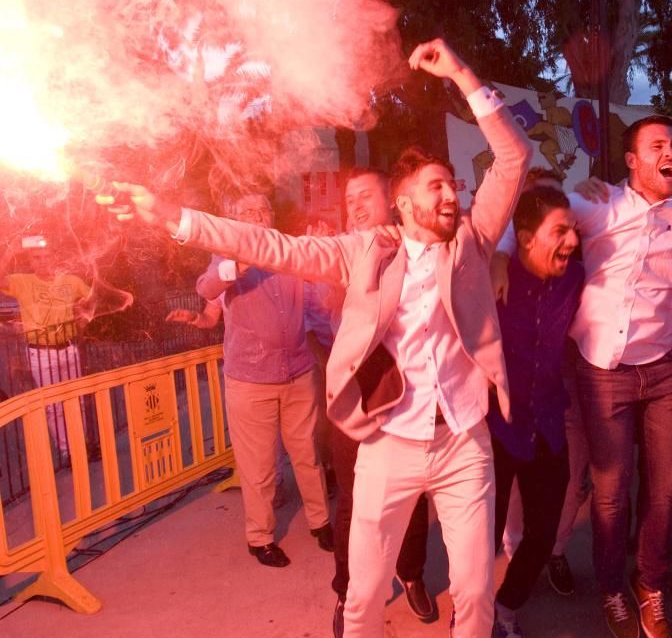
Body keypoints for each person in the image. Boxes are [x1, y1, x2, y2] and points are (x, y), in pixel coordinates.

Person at [108, 38, 531, 638]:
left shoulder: (470, 243)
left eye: (452, 188)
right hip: (389, 443)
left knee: (476, 594)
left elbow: (513, 159)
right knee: (360, 597)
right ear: (405, 203)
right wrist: (175, 217)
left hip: (465, 442)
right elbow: (271, 246)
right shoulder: (363, 252)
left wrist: (462, 74)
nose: (450, 196)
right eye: (436, 187)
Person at [497, 115, 672, 638]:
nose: (669, 151)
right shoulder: (597, 203)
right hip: (602, 371)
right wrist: (500, 258)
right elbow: (531, 218)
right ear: (632, 161)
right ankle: (611, 588)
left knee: (666, 488)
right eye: (657, 145)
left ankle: (648, 583)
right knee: (610, 492)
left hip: (661, 371)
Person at [193, 191, 332, 568]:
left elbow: (320, 295)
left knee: (308, 455)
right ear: (235, 218)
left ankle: (321, 522)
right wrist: (234, 267)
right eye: (247, 211)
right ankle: (260, 537)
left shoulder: (288, 251)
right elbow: (206, 288)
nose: (257, 216)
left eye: (262, 209)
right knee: (259, 467)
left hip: (298, 372)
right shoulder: (227, 253)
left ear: (271, 215)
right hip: (251, 379)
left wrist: (319, 250)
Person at [327, 168, 438, 636]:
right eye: (348, 198)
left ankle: (410, 574)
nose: (354, 204)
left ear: (391, 201)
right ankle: (347, 591)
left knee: (412, 500)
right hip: (358, 399)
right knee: (353, 504)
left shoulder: (414, 246)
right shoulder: (340, 251)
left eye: (364, 195)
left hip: (407, 399)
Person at [490, 186, 584, 638]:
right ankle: (468, 613)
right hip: (492, 425)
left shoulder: (575, 276)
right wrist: (497, 257)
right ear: (526, 237)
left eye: (573, 230)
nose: (571, 240)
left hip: (547, 422)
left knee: (544, 532)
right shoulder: (494, 277)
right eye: (559, 231)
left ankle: (507, 606)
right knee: (481, 538)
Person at [0, 241, 93, 458]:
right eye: (36, 258)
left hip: (69, 350)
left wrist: (84, 315)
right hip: (41, 353)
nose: (42, 262)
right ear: (30, 262)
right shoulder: (21, 281)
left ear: (55, 258)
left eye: (46, 256)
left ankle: (83, 445)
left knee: (77, 400)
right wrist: (8, 253)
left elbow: (94, 298)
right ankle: (67, 450)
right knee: (54, 406)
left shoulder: (71, 281)